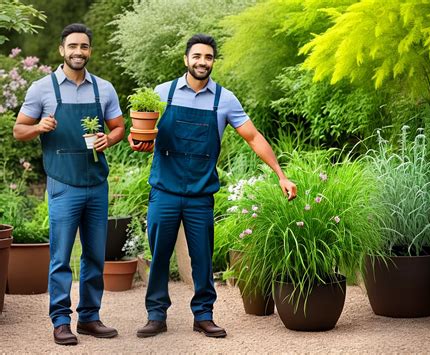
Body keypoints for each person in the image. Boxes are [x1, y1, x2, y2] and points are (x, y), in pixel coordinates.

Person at [129, 33, 297, 339]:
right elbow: (141, 129)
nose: (202, 62)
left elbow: (254, 137)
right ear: (186, 59)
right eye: (197, 56)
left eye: (208, 57)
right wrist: (135, 140)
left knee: (202, 258)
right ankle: (156, 315)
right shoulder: (162, 93)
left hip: (200, 195)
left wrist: (280, 174)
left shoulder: (224, 99)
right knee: (160, 255)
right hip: (164, 191)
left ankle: (203, 315)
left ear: (213, 62)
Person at [13, 23, 125, 346]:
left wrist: (109, 138)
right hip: (62, 184)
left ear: (90, 51)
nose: (79, 52)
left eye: (84, 47)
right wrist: (39, 127)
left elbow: (118, 127)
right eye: (73, 46)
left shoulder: (104, 89)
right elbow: (19, 130)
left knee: (95, 255)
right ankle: (61, 321)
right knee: (61, 256)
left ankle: (89, 317)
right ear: (62, 50)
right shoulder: (42, 89)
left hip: (96, 184)